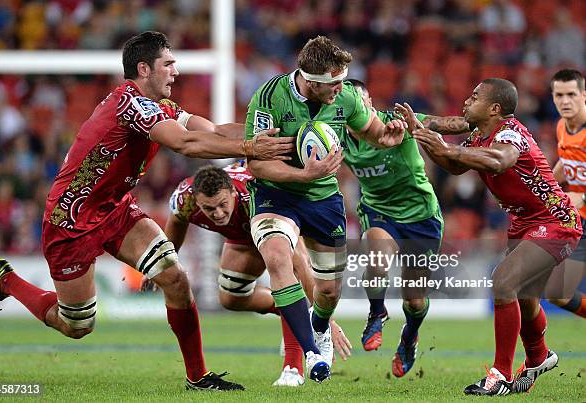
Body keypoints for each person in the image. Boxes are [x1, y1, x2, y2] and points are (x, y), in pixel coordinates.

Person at [0, 31, 295, 391]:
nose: (176, 71)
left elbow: (215, 131)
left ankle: (198, 378)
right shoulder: (131, 104)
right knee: (76, 326)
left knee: (175, 278)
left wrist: (278, 137)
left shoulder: (161, 107)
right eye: (168, 64)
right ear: (144, 68)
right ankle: (5, 280)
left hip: (116, 210)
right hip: (71, 220)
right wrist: (251, 148)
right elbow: (185, 143)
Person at [244, 35, 406, 382]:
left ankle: (319, 326)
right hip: (276, 193)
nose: (341, 87)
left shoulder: (345, 96)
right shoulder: (269, 98)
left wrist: (387, 136)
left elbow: (373, 130)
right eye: (333, 83)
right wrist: (304, 173)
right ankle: (311, 351)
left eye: (343, 80)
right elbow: (256, 165)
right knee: (276, 256)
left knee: (329, 290)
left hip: (323, 197)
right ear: (311, 80)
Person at [409, 78, 582, 396]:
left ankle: (499, 373)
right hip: (525, 223)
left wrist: (444, 146)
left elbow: (498, 160)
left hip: (555, 220)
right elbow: (455, 166)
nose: (466, 101)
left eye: (474, 97)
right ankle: (539, 356)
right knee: (527, 300)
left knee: (503, 282)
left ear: (494, 108)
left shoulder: (509, 133)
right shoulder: (479, 135)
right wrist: (428, 139)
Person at [146, 162, 352, 386]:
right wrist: (163, 264)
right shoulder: (183, 199)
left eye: (223, 204)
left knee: (285, 279)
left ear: (233, 193)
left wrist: (324, 318)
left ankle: (293, 369)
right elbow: (176, 224)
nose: (218, 213)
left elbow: (299, 263)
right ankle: (291, 312)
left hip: (276, 224)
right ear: (197, 202)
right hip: (241, 240)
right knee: (231, 299)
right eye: (209, 209)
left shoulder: (254, 195)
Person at [344, 79, 444, 378]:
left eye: (362, 103)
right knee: (377, 259)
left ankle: (409, 337)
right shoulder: (334, 133)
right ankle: (377, 312)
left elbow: (443, 124)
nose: (358, 110)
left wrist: (478, 122)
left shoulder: (396, 122)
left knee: (414, 300)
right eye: (350, 105)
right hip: (379, 212)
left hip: (421, 215)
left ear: (370, 103)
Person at [547, 69, 586, 318]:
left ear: (584, 95)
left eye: (571, 94)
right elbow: (566, 162)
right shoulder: (562, 126)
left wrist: (582, 197)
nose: (565, 101)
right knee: (558, 293)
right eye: (559, 95)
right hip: (581, 222)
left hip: (581, 207)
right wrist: (545, 188)